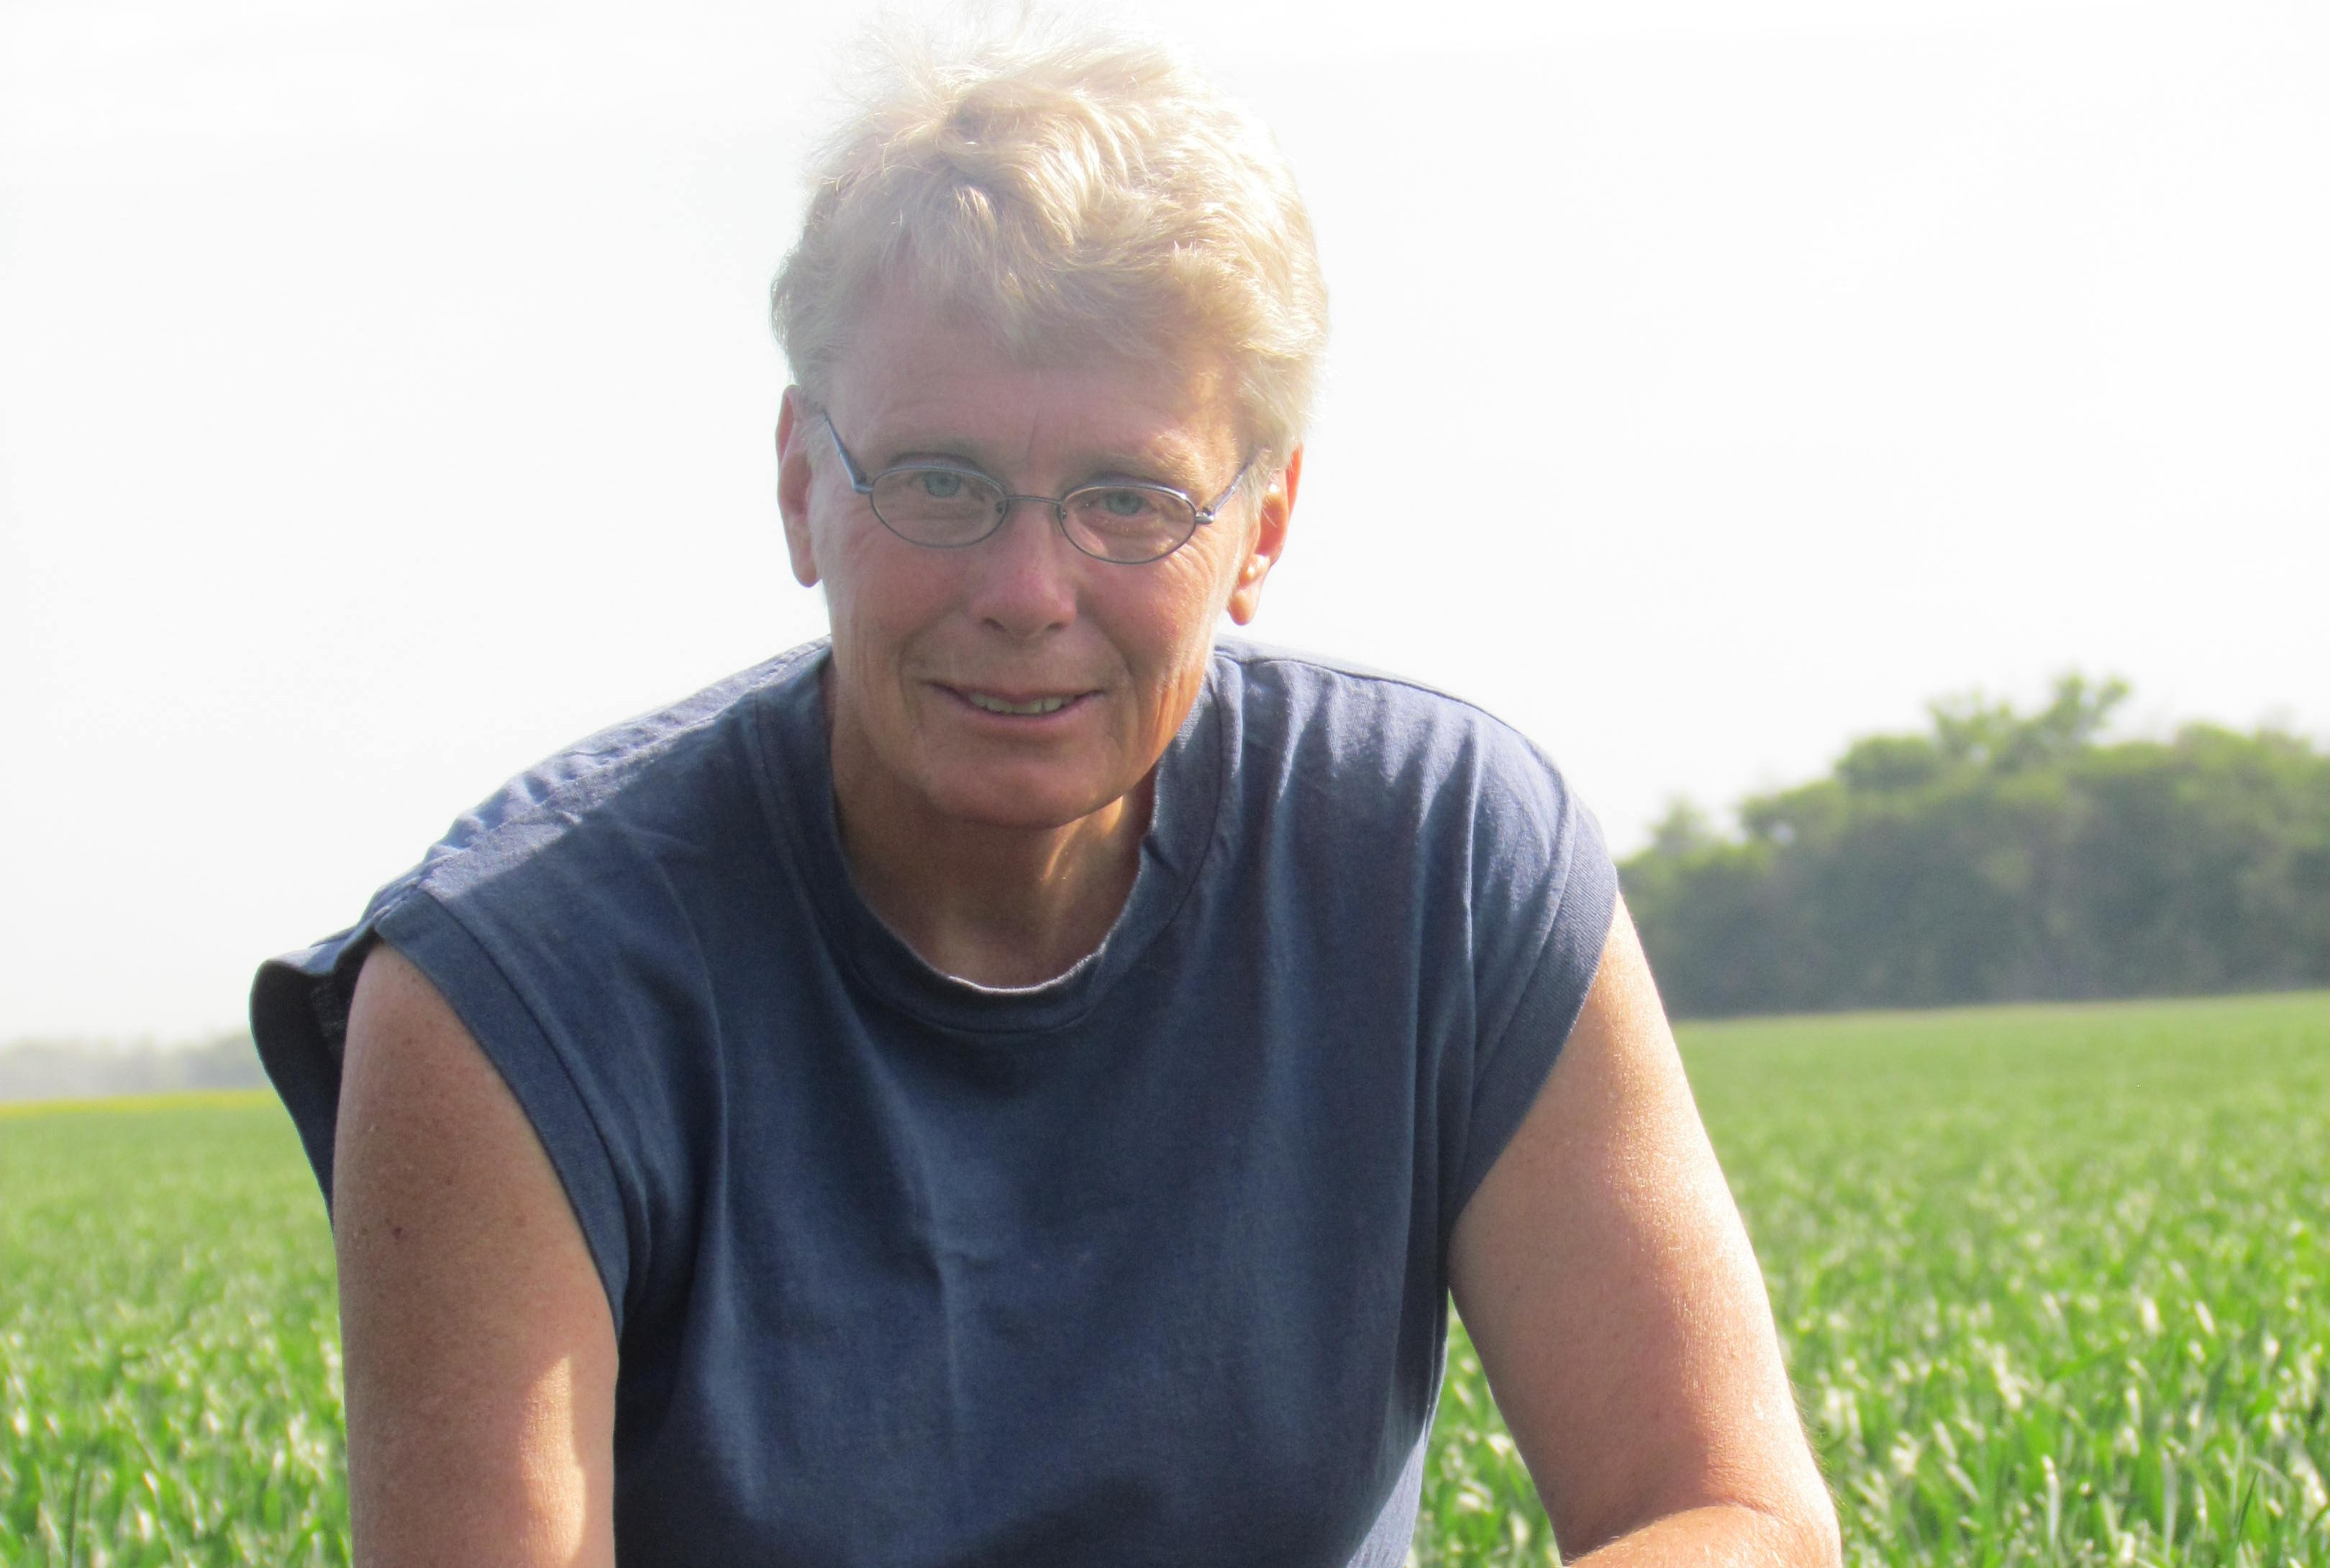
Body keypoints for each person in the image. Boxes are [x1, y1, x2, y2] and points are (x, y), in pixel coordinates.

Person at [253, 21, 1840, 1568]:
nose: (1026, 588)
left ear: (1262, 528)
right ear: (804, 481)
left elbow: (1735, 1511)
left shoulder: (1440, 862)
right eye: (939, 480)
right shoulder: (512, 991)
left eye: (1129, 499)